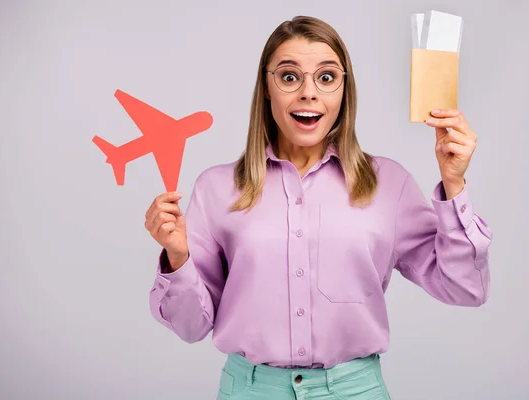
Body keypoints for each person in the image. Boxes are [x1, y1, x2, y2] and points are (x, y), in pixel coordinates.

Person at [145, 15, 492, 400]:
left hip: (355, 391)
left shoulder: (388, 185)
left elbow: (466, 288)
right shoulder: (215, 188)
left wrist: (455, 184)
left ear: (344, 90)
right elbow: (191, 327)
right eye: (290, 77)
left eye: (326, 77)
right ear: (266, 88)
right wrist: (177, 257)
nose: (309, 93)